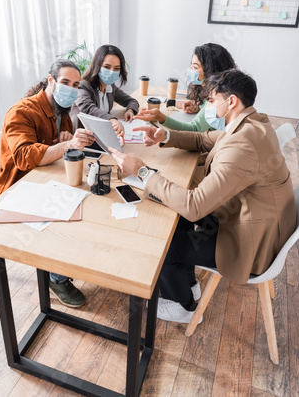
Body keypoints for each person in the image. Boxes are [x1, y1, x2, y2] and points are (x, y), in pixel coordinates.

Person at [109, 69, 296, 324]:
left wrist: (143, 172)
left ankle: (182, 306)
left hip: (251, 243)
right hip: (253, 218)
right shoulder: (254, 123)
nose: (209, 104)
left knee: (165, 244)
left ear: (231, 101)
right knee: (176, 216)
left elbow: (194, 206)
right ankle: (188, 285)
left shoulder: (244, 144)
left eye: (212, 99)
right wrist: (165, 135)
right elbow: (205, 139)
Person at [0, 59, 95, 308]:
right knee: (71, 210)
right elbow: (24, 157)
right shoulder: (22, 111)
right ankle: (55, 277)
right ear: (50, 81)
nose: (71, 89)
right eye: (65, 83)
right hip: (17, 189)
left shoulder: (62, 111)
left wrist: (65, 138)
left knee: (87, 199)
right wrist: (66, 145)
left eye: (75, 84)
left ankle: (63, 263)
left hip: (44, 180)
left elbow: (54, 147)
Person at [135, 43, 236, 132]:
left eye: (195, 67)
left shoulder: (218, 98)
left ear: (211, 70)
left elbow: (194, 129)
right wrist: (199, 107)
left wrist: (161, 118)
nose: (190, 70)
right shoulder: (219, 90)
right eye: (191, 65)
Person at [70, 44, 139, 137]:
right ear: (97, 66)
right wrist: (112, 120)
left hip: (101, 135)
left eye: (116, 68)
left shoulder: (110, 87)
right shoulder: (82, 86)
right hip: (82, 140)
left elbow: (131, 101)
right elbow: (89, 109)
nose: (111, 72)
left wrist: (130, 110)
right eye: (107, 67)